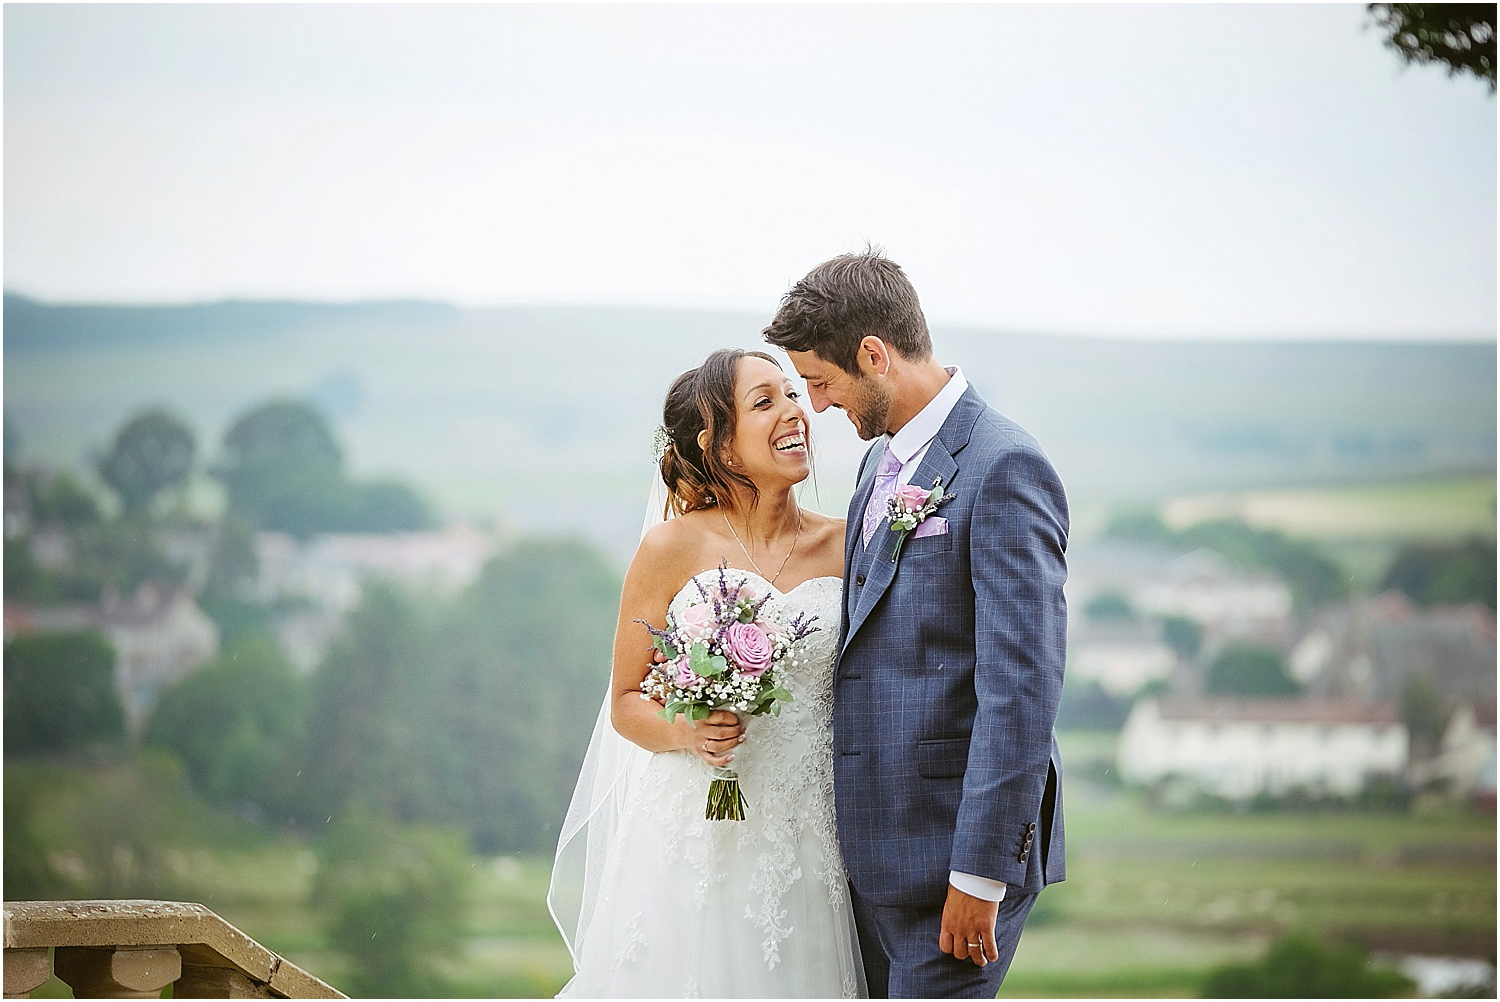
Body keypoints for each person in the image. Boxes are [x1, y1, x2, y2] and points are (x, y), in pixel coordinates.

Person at [763, 250, 1069, 998]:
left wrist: (983, 872)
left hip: (952, 866)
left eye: (822, 381)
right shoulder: (880, 465)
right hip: (870, 861)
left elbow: (1021, 687)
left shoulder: (1004, 468)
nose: (819, 405)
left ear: (874, 355)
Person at [549, 348, 867, 998]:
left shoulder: (849, 542)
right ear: (718, 444)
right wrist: (688, 732)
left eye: (792, 394)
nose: (793, 412)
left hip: (808, 839)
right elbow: (627, 701)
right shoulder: (671, 547)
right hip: (691, 832)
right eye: (765, 402)